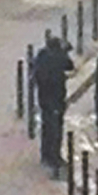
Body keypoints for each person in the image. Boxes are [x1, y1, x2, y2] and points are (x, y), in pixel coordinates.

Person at [33, 37, 74, 173]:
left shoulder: (42, 55)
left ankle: (45, 155)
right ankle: (54, 158)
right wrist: (65, 51)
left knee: (47, 127)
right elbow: (70, 65)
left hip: (43, 98)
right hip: (56, 98)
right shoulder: (58, 58)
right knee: (56, 129)